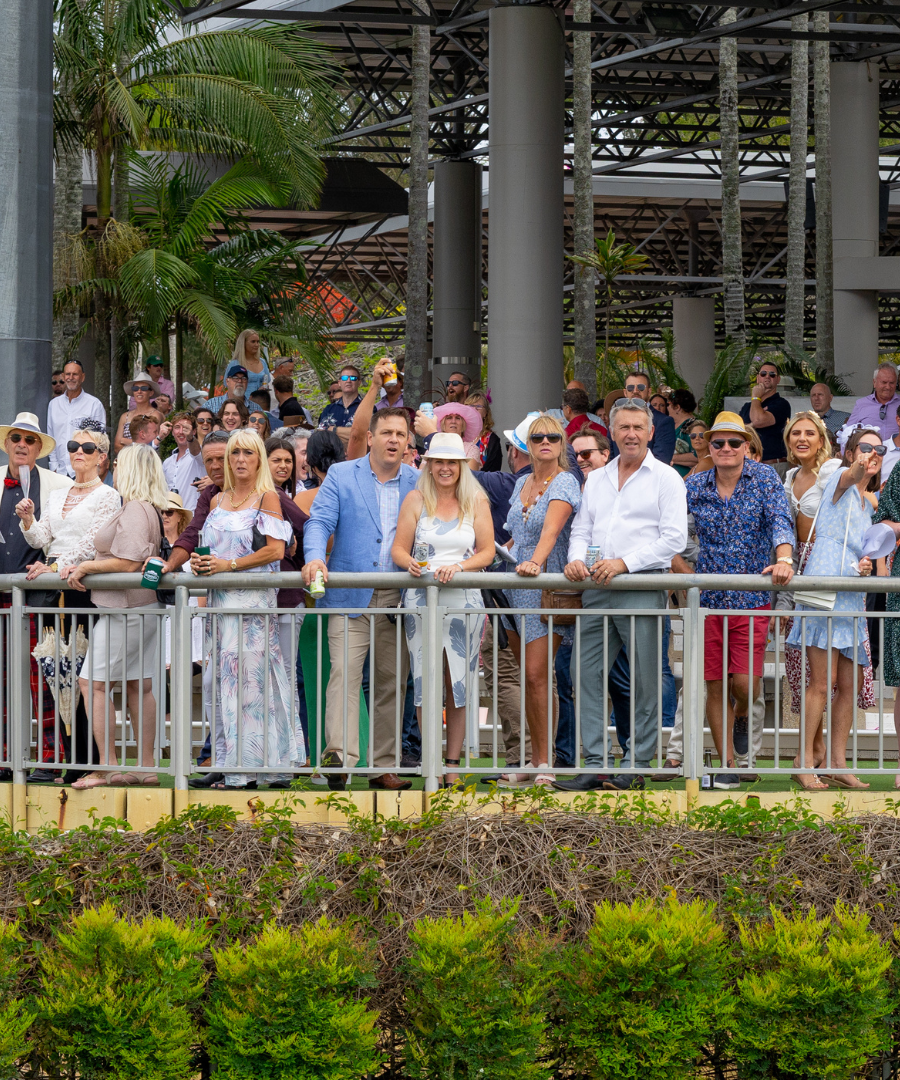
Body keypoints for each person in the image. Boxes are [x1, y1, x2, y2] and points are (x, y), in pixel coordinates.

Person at [554, 399, 687, 793]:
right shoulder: (596, 479)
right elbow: (582, 530)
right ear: (611, 432)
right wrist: (577, 560)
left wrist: (624, 563)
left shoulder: (667, 478)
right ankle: (594, 764)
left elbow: (674, 539)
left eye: (638, 427)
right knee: (585, 674)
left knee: (646, 679)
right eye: (624, 427)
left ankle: (636, 762)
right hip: (597, 588)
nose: (631, 433)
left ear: (650, 432)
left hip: (642, 587)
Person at [302, 407, 418, 792]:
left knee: (391, 683)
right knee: (344, 675)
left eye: (401, 434)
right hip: (349, 594)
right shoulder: (341, 474)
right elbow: (318, 522)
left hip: (396, 598)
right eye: (386, 432)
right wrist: (315, 556)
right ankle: (340, 758)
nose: (393, 440)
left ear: (407, 442)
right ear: (370, 437)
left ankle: (383, 766)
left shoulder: (418, 482)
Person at [685, 411, 794, 790]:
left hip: (751, 597)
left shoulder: (765, 478)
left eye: (734, 442)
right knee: (714, 683)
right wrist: (683, 576)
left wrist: (783, 559)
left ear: (747, 446)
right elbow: (670, 533)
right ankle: (727, 762)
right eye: (719, 443)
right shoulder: (694, 486)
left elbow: (781, 520)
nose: (727, 448)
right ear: (709, 447)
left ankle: (744, 716)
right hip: (710, 599)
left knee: (745, 685)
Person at [189, 429, 298, 789]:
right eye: (234, 452)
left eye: (247, 453)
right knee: (225, 685)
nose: (238, 459)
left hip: (252, 607)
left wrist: (228, 566)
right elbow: (210, 550)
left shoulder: (267, 497)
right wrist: (202, 563)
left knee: (254, 688)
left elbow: (275, 552)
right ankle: (232, 765)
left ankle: (263, 767)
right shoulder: (217, 501)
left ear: (258, 459)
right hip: (220, 607)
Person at [391, 433, 494, 786]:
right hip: (422, 600)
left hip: (464, 600)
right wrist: (413, 566)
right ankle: (431, 760)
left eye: (452, 462)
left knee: (459, 683)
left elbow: (487, 552)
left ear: (462, 466)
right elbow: (399, 550)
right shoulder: (416, 499)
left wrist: (460, 568)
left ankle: (452, 764)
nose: (445, 468)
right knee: (424, 680)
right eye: (439, 462)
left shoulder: (476, 500)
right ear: (429, 465)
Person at [64, 444, 167, 789]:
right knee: (139, 685)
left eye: (120, 464)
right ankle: (145, 766)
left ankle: (107, 766)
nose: (116, 469)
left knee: (91, 683)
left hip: (126, 610)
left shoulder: (137, 508)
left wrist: (87, 565)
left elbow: (130, 561)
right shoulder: (143, 507)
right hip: (137, 608)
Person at [787, 428, 881, 791]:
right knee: (821, 683)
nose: (872, 454)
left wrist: (864, 567)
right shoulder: (836, 479)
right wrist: (858, 465)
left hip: (850, 593)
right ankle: (804, 761)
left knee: (851, 682)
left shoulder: (867, 502)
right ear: (851, 452)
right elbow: (853, 474)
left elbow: (858, 548)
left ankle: (838, 762)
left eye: (878, 449)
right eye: (865, 448)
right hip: (824, 588)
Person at [499, 415, 581, 788]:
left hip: (544, 585)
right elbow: (516, 536)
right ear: (526, 445)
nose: (545, 442)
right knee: (526, 677)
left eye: (552, 437)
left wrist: (534, 561)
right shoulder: (521, 482)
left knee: (537, 675)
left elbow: (551, 531)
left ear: (562, 443)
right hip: (514, 583)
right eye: (537, 437)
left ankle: (547, 760)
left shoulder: (565, 480)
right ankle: (534, 759)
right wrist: (497, 555)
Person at [0, 414, 74, 782]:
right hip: (0, 599)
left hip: (40, 599)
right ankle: (2, 758)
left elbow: (69, 537)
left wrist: (53, 563)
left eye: (29, 440)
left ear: (38, 448)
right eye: (16, 438)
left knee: (43, 680)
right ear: (8, 443)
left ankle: (49, 759)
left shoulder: (60, 485)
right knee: (0, 683)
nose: (22, 445)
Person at [47, 360, 107, 476]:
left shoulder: (94, 404)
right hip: (59, 472)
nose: (71, 377)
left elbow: (100, 441)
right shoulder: (54, 405)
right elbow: (51, 436)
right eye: (68, 374)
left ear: (82, 377)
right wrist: (53, 466)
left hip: (84, 471)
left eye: (75, 374)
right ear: (63, 377)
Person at [738, 361, 792, 464]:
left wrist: (755, 397)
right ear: (758, 378)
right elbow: (739, 431)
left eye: (772, 374)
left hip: (773, 464)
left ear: (778, 379)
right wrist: (752, 425)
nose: (767, 377)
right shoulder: (746, 407)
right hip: (749, 464)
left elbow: (758, 420)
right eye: (763, 374)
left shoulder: (782, 404)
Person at [617, 371, 676, 464]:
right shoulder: (616, 419)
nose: (635, 391)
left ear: (649, 391)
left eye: (641, 387)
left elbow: (661, 461)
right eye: (630, 387)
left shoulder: (664, 421)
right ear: (625, 392)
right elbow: (611, 456)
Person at [846, 362, 900, 442]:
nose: (888, 387)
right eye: (884, 382)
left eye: (892, 383)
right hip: (869, 452)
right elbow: (847, 434)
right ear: (874, 383)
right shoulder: (861, 404)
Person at [162, 412, 204, 511]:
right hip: (171, 516)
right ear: (172, 432)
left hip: (192, 516)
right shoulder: (167, 462)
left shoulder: (198, 454)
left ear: (194, 431)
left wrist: (190, 438)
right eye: (177, 427)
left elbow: (196, 452)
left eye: (186, 427)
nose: (181, 432)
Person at [114, 372, 164, 453]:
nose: (139, 391)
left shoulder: (156, 415)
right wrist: (139, 444)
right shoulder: (125, 416)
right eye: (135, 389)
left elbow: (150, 445)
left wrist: (124, 440)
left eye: (144, 388)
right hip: (127, 463)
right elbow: (116, 446)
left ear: (151, 392)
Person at [228, 330, 271, 400]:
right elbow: (228, 384)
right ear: (243, 343)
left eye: (258, 342)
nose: (256, 345)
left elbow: (267, 381)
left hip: (260, 403)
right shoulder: (235, 363)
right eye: (253, 341)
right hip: (242, 403)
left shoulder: (262, 362)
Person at [465, 391, 502, 471]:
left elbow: (493, 470)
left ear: (485, 413)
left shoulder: (493, 440)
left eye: (478, 406)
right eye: (471, 406)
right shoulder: (459, 435)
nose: (474, 409)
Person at [318, 364, 362, 431]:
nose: (348, 381)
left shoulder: (368, 408)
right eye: (344, 378)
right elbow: (321, 435)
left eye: (353, 378)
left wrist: (334, 430)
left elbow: (364, 435)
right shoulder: (328, 409)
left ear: (359, 383)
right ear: (339, 383)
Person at [669, 388, 699, 476]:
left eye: (669, 404)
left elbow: (698, 456)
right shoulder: (671, 425)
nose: (667, 407)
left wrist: (669, 458)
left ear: (677, 407)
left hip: (687, 479)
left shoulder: (694, 426)